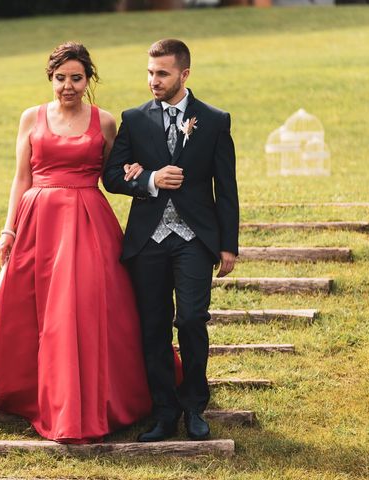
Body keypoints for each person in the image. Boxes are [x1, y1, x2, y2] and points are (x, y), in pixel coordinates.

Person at [0, 42, 183, 444]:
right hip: (39, 223)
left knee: (88, 310)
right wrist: (9, 230)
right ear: (51, 78)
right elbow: (21, 178)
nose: (68, 86)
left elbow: (120, 174)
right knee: (33, 315)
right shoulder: (30, 119)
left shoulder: (105, 122)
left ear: (88, 80)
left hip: (89, 224)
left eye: (77, 78)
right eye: (61, 78)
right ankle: (34, 396)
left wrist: (147, 176)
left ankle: (105, 399)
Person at [103, 39, 239, 442]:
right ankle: (164, 412)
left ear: (184, 74)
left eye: (161, 73)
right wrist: (149, 179)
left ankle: (195, 405)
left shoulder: (214, 120)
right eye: (149, 72)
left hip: (195, 237)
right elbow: (111, 177)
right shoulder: (135, 118)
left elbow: (226, 187)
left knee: (192, 318)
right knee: (154, 326)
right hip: (148, 239)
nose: (153, 81)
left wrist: (228, 244)